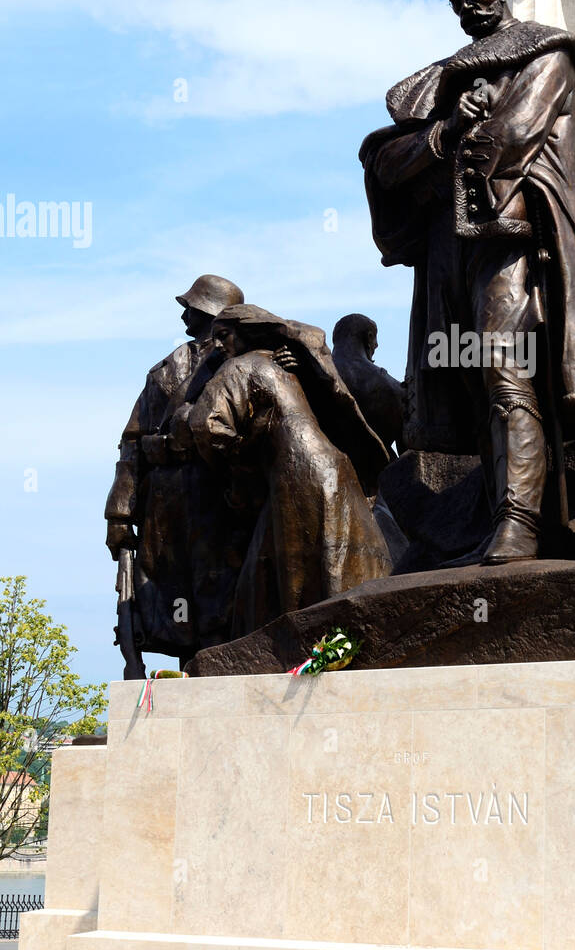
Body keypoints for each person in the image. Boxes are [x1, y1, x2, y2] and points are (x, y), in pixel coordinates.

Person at [360, 0, 575, 564]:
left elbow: (510, 135)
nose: (468, 7)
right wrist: (444, 131)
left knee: (503, 366)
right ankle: (494, 517)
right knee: (467, 379)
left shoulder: (547, 51)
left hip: (511, 238)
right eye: (456, 0)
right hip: (448, 251)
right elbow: (383, 161)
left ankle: (521, 524)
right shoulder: (440, 80)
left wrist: (441, 152)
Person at [187, 305, 392, 639]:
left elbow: (205, 424)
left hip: (295, 473)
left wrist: (241, 457)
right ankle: (346, 639)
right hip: (334, 469)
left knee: (297, 573)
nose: (218, 345)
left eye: (224, 335)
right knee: (332, 561)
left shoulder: (238, 367)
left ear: (247, 331)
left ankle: (311, 643)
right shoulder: (287, 366)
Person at [104, 275, 252, 663]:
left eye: (192, 307)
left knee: (220, 583)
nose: (184, 314)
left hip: (216, 489)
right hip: (165, 495)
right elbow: (132, 442)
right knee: (168, 588)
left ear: (211, 312)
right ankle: (189, 667)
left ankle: (217, 662)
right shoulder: (162, 371)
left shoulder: (242, 362)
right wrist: (119, 514)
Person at [331, 313, 405, 454]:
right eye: (375, 339)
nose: (376, 345)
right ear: (369, 337)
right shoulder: (393, 387)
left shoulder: (312, 374)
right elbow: (408, 453)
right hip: (378, 465)